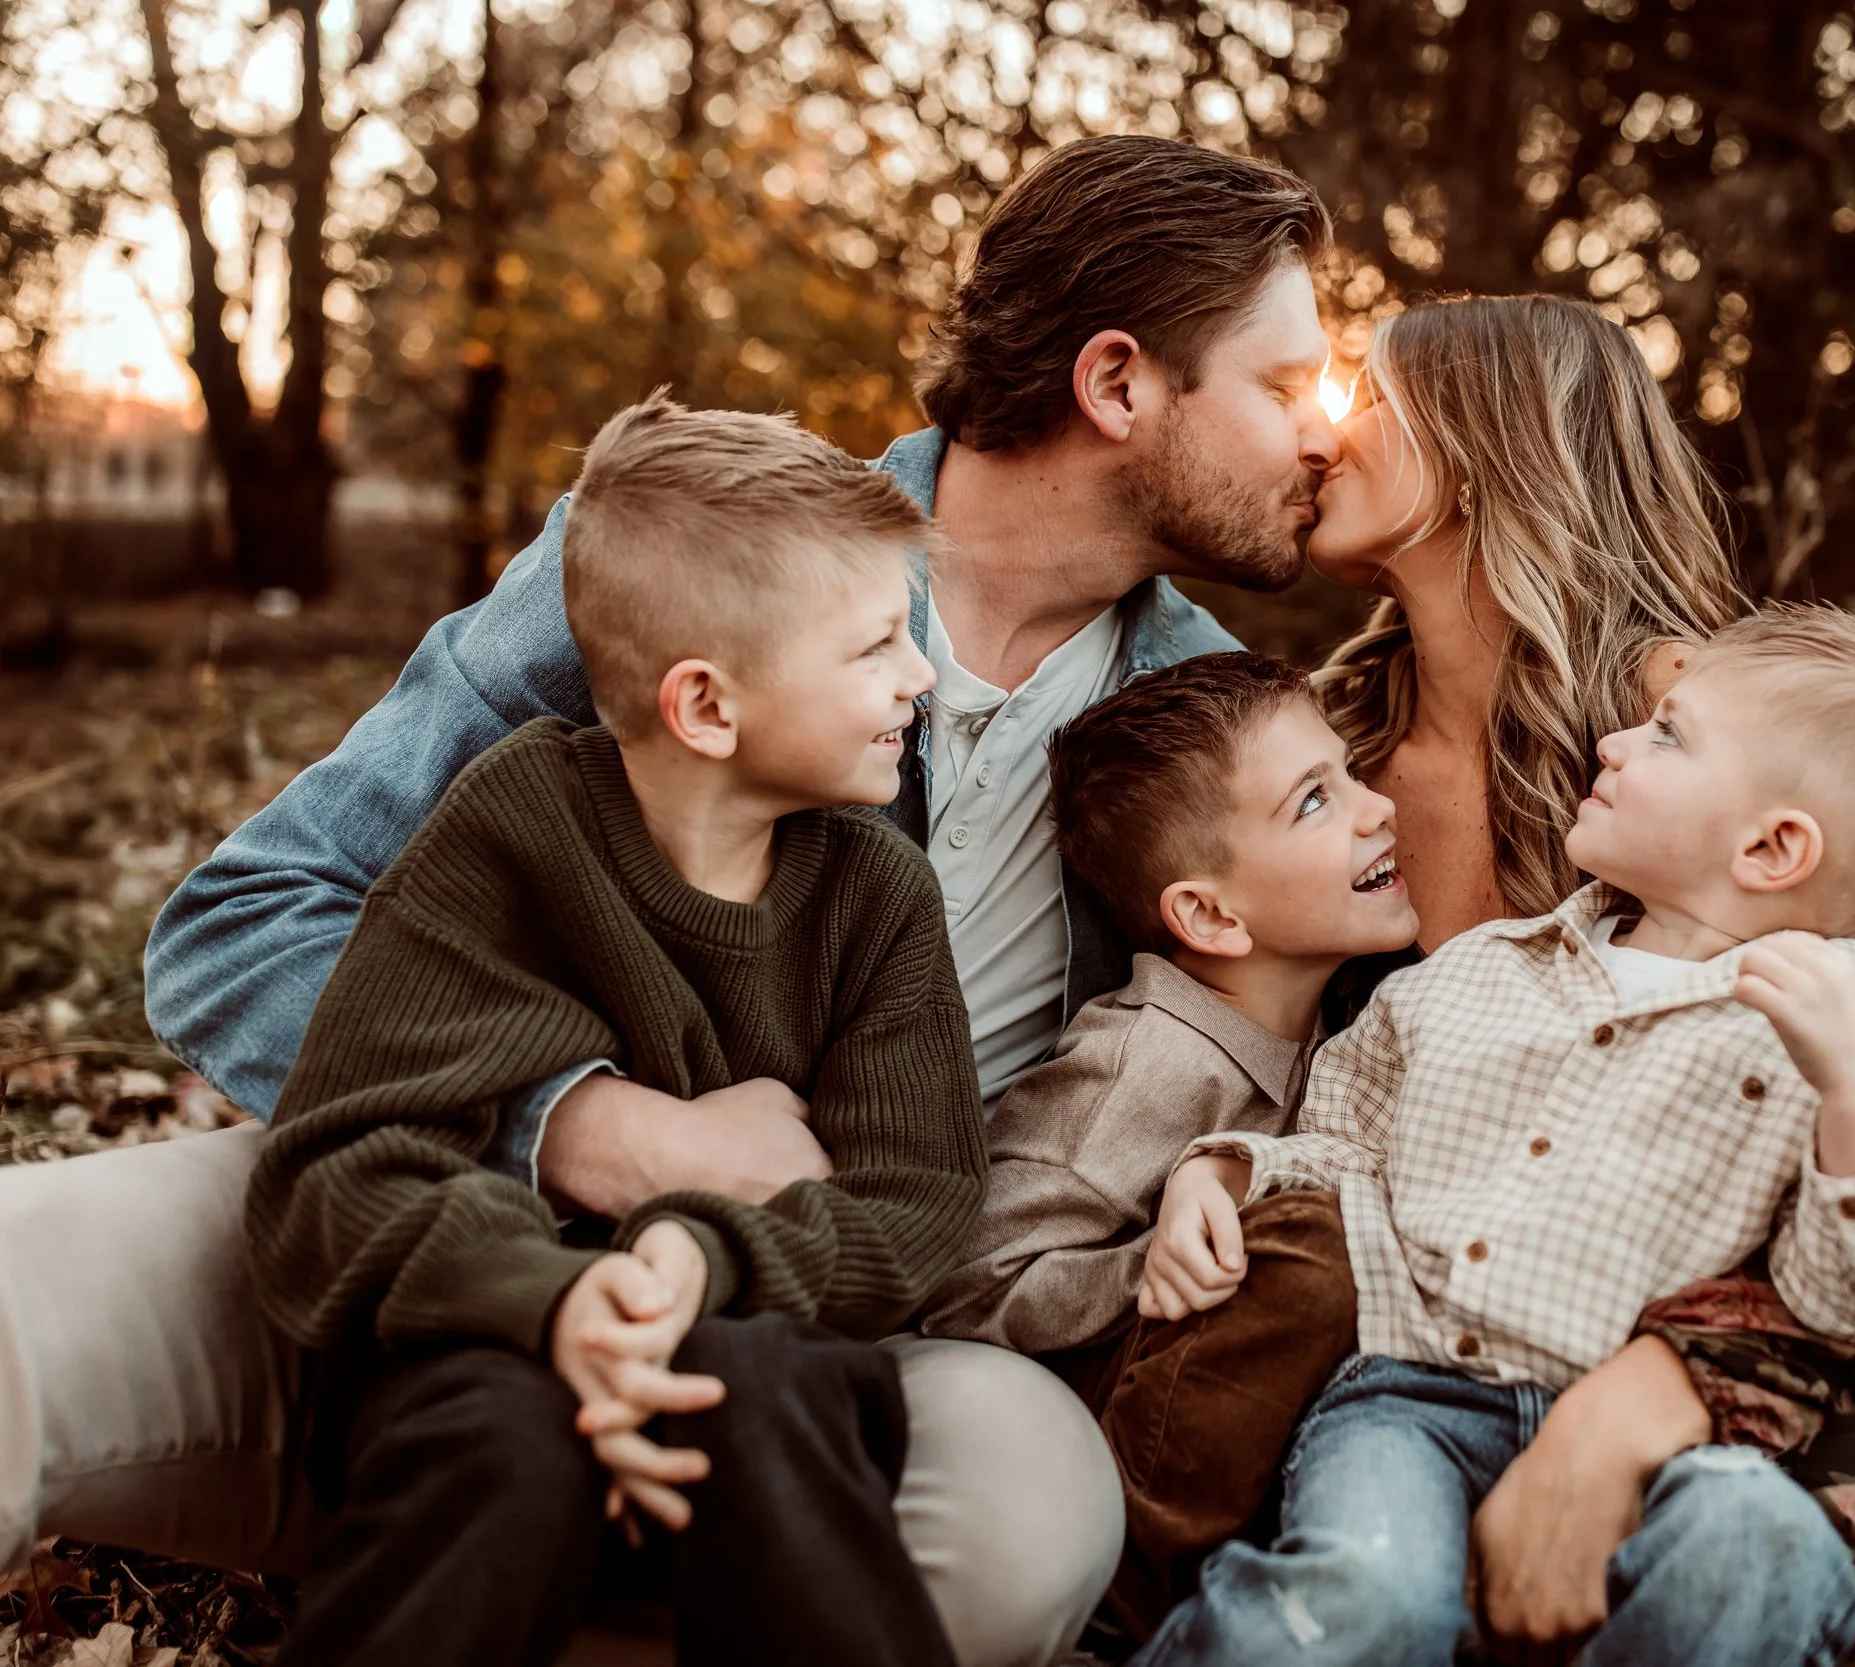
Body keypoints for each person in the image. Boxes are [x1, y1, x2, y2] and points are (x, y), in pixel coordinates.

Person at [0, 133, 1338, 1667]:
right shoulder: (690, 563)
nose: (1323, 437)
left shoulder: (1214, 727)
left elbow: (1352, 1054)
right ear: (1118, 384)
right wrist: (586, 1122)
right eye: (1285, 385)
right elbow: (250, 918)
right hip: (453, 1222)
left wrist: (1226, 1162)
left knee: (1024, 1520)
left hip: (851, 1316)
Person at [1134, 604, 1855, 1667]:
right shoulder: (1478, 974)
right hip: (1412, 1399)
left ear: (1771, 845)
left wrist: (1852, 1095)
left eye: (1668, 733)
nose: (1614, 740)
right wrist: (1227, 1166)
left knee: (1759, 1546)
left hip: (1683, 1448)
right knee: (1359, 1592)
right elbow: (1346, 1146)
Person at [250, 397, 982, 1667]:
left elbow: (914, 1195)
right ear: (706, 706)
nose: (921, 674)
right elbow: (336, 1170)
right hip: (479, 1352)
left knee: (753, 1391)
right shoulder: (512, 831)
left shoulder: (877, 893)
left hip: (757, 1346)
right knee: (499, 1434)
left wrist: (697, 1258)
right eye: (877, 645)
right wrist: (555, 1300)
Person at [915, 651, 1417, 1635]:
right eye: (1314, 802)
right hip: (1093, 1447)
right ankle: (1125, 1610)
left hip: (1218, 1429)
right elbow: (964, 1283)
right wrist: (1144, 1269)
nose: (1376, 807)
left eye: (1348, 770)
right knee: (1311, 1260)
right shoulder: (1145, 1061)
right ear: (1210, 914)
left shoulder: (1349, 1020)